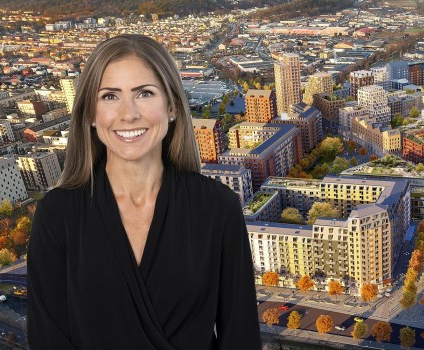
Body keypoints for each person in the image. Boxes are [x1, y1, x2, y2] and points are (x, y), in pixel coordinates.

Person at [27, 34, 261, 349]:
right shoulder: (57, 216)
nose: (128, 113)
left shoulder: (217, 208)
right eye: (110, 96)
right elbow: (48, 341)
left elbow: (240, 337)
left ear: (173, 107)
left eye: (145, 93)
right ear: (91, 115)